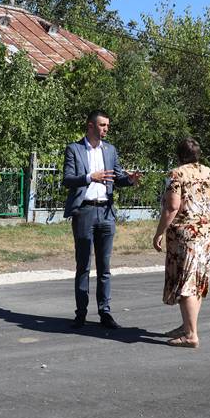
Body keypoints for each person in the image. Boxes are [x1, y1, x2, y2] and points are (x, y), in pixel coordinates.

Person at [63, 110, 141, 329]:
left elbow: (117, 178)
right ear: (90, 126)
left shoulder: (110, 150)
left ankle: (105, 312)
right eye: (102, 125)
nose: (106, 129)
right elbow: (68, 180)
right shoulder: (75, 149)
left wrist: (130, 180)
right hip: (85, 211)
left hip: (106, 212)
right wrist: (90, 177)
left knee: (104, 267)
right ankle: (81, 313)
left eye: (107, 125)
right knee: (83, 265)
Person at [152, 138, 210, 349]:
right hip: (209, 233)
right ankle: (187, 326)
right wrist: (208, 225)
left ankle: (191, 335)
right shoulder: (208, 172)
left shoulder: (177, 174)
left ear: (179, 155)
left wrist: (159, 233)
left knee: (186, 284)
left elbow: (172, 207)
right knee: (197, 281)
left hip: (187, 236)